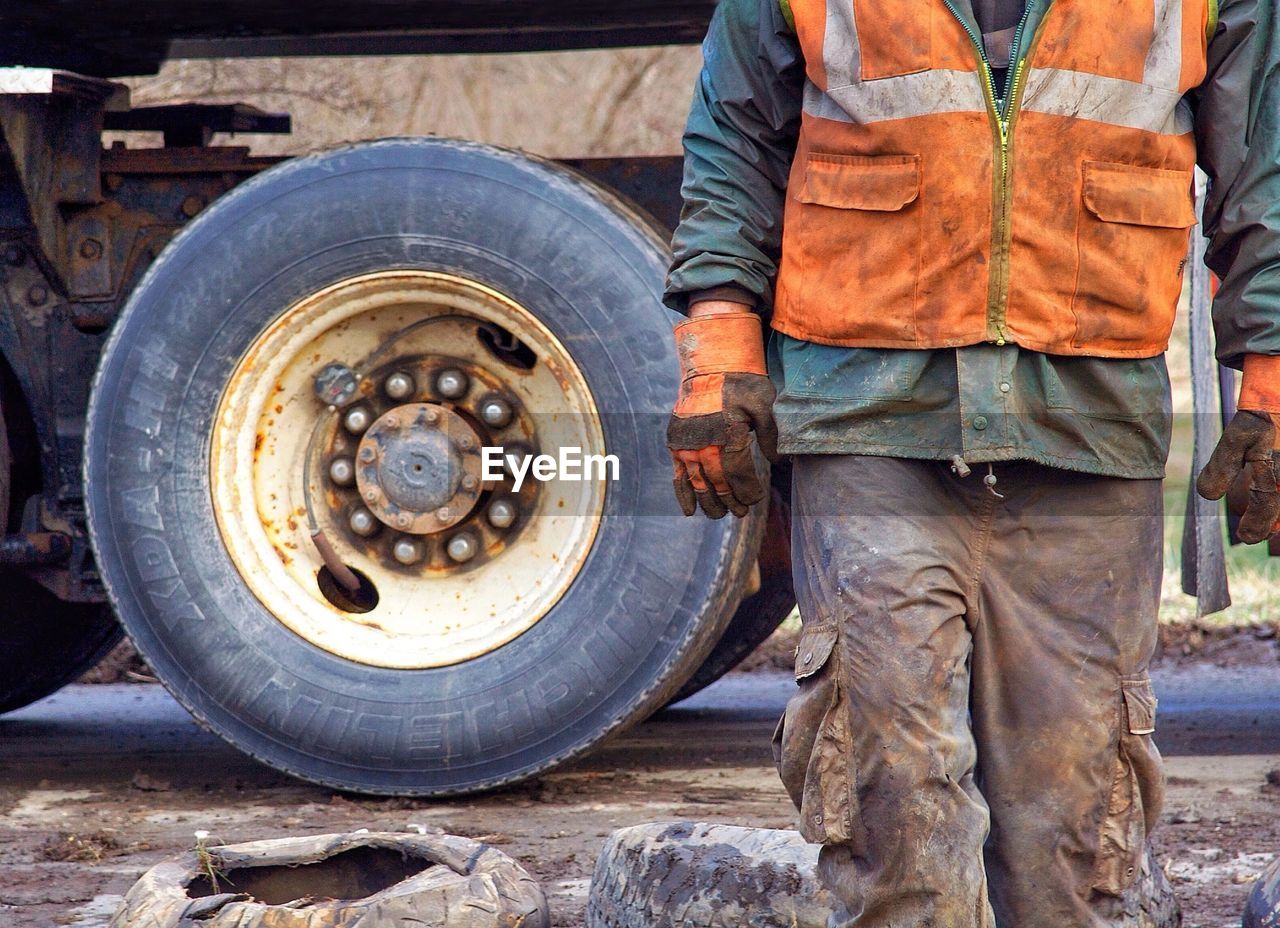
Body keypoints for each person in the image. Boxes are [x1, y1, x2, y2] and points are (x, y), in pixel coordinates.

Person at [663, 0, 1280, 925]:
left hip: (1088, 427)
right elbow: (733, 142)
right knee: (894, 797)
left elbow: (1262, 172)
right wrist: (718, 344)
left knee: (1069, 836)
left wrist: (1271, 376)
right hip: (870, 416)